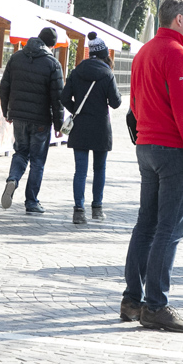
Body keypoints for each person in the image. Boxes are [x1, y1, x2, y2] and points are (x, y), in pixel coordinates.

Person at [121, 0, 183, 333]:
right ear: (180, 19)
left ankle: (132, 299)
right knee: (168, 229)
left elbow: (136, 101)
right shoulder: (177, 54)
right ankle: (155, 305)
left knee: (147, 225)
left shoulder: (145, 51)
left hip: (148, 144)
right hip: (172, 149)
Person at [0, 27, 65, 214]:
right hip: (41, 120)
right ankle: (31, 201)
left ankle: (13, 179)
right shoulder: (52, 64)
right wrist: (58, 125)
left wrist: (7, 111)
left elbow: (4, 87)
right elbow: (57, 98)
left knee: (20, 152)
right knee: (37, 161)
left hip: (19, 117)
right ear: (51, 44)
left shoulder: (16, 58)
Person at [60, 32, 122, 224]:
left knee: (80, 171)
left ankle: (79, 210)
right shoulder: (107, 74)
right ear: (104, 54)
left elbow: (63, 98)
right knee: (99, 169)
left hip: (80, 126)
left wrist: (76, 110)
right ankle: (97, 209)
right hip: (101, 128)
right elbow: (116, 103)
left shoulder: (76, 71)